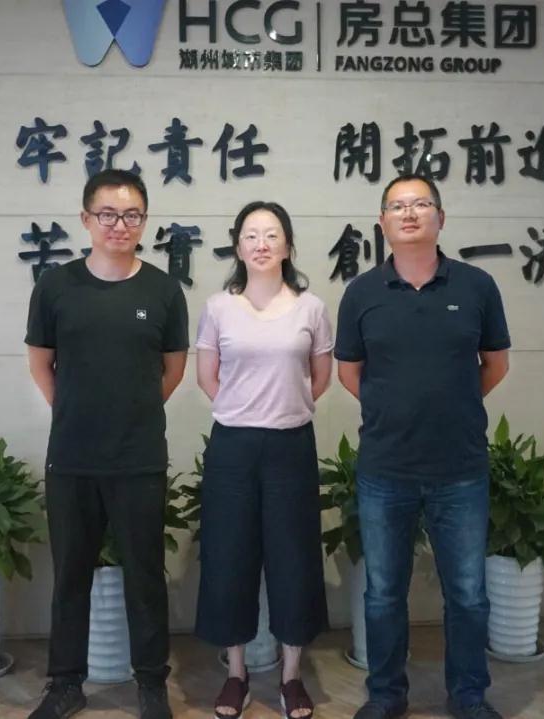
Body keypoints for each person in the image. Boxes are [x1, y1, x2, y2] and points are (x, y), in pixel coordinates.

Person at [334, 174, 511, 719]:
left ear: (441, 217)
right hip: (385, 468)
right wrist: (395, 410)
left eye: (421, 204)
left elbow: (495, 364)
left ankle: (469, 695)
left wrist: (450, 405)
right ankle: (386, 695)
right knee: (384, 594)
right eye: (397, 206)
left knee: (468, 593)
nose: (409, 213)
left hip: (460, 467)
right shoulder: (362, 292)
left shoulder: (477, 286)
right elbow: (349, 372)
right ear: (382, 222)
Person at [25, 169, 189, 719]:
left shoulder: (163, 290)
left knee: (144, 575)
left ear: (144, 221)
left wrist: (131, 413)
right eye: (109, 214)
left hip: (138, 459)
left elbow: (172, 370)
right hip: (72, 458)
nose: (120, 225)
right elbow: (40, 363)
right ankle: (65, 684)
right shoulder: (56, 286)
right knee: (71, 575)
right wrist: (75, 412)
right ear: (86, 219)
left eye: (132, 215)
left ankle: (151, 684)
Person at [194, 201, 333, 719]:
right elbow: (207, 376)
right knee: (229, 556)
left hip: (290, 446)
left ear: (288, 246)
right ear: (238, 247)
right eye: (251, 235)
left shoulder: (311, 308)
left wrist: (282, 408)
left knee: (294, 558)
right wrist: (244, 410)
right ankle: (236, 673)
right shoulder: (219, 307)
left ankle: (292, 676)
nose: (261, 244)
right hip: (232, 447)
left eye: (271, 234)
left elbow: (320, 377)